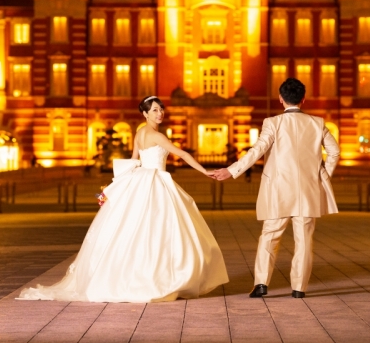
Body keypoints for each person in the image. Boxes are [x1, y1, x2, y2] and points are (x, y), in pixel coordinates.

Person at [18, 96, 228, 303]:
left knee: (133, 229)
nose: (160, 113)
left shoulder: (139, 134)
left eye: (161, 109)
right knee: (160, 229)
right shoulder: (159, 137)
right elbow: (181, 154)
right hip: (155, 181)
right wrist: (204, 171)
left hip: (140, 180)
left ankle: (135, 275)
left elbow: (133, 161)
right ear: (145, 114)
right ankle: (157, 278)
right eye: (154, 110)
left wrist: (119, 187)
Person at [212, 78, 339, 299]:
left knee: (270, 236)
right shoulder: (317, 123)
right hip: (308, 190)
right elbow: (334, 152)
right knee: (305, 241)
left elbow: (257, 150)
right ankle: (299, 288)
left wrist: (232, 170)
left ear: (280, 98)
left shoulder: (273, 123)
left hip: (279, 190)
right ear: (303, 99)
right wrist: (322, 175)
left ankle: (261, 283)